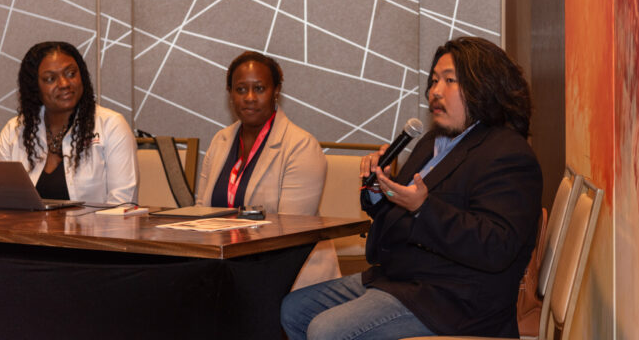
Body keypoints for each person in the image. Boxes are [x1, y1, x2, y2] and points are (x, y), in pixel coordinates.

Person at [281, 37, 543, 339]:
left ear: (482, 86)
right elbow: (403, 209)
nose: (434, 92)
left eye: (449, 81)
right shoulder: (432, 142)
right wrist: (380, 192)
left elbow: (496, 246)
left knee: (326, 330)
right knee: (294, 309)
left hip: (455, 301)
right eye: (433, 81)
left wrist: (424, 208)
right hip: (402, 280)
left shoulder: (507, 153)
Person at [196, 50, 339, 288]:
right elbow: (202, 213)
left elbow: (291, 231)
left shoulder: (300, 145)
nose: (249, 97)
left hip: (290, 276)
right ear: (230, 94)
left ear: (276, 92)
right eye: (241, 89)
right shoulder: (220, 141)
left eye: (259, 89)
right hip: (228, 268)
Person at [0, 41, 138, 204]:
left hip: (94, 229)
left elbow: (124, 204)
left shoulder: (111, 125)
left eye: (71, 74)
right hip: (26, 229)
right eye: (50, 79)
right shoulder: (14, 131)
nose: (64, 84)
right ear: (34, 87)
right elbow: (4, 201)